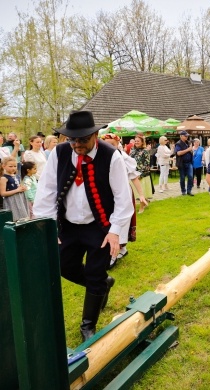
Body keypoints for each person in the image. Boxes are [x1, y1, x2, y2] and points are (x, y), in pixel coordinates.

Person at [33, 110, 133, 341]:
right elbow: (46, 191)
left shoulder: (112, 156)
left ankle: (88, 325)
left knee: (95, 272)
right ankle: (102, 285)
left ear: (95, 135)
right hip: (67, 224)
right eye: (72, 139)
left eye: (82, 139)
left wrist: (115, 231)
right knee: (64, 266)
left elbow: (122, 198)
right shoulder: (59, 153)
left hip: (100, 226)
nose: (77, 144)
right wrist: (50, 228)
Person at [101, 133, 147, 268]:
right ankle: (119, 250)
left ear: (118, 145)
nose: (109, 147)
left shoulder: (123, 157)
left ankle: (114, 254)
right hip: (107, 195)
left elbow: (134, 178)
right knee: (109, 222)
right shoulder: (100, 157)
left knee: (122, 222)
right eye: (106, 144)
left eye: (112, 145)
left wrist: (142, 195)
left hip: (123, 194)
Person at [0, 156, 29, 221]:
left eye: (15, 166)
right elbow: (3, 193)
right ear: (4, 166)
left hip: (21, 199)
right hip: (12, 201)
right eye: (10, 166)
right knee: (15, 219)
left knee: (24, 218)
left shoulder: (17, 176)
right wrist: (17, 190)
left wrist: (23, 188)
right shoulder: (3, 178)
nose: (13, 168)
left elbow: (19, 186)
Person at [130, 134, 153, 212]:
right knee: (135, 192)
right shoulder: (132, 150)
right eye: (135, 141)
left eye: (138, 141)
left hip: (142, 175)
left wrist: (141, 174)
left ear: (142, 142)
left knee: (141, 191)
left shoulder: (145, 151)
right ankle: (146, 201)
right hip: (133, 174)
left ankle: (141, 207)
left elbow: (147, 164)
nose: (136, 142)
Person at [175, 130, 194, 196]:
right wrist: (188, 150)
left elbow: (191, 151)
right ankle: (183, 191)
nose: (187, 137)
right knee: (182, 177)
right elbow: (178, 153)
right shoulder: (178, 144)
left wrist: (191, 151)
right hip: (182, 163)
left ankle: (189, 191)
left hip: (189, 162)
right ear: (181, 136)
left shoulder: (188, 143)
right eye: (185, 136)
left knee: (191, 176)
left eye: (187, 136)